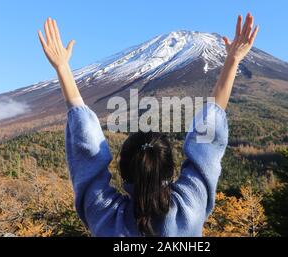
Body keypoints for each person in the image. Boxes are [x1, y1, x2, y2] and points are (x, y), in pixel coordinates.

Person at [38, 13, 259, 237]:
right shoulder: (188, 209)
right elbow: (207, 146)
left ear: (123, 172)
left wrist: (62, 67)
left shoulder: (105, 214)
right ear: (171, 169)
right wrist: (232, 61)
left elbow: (87, 155)